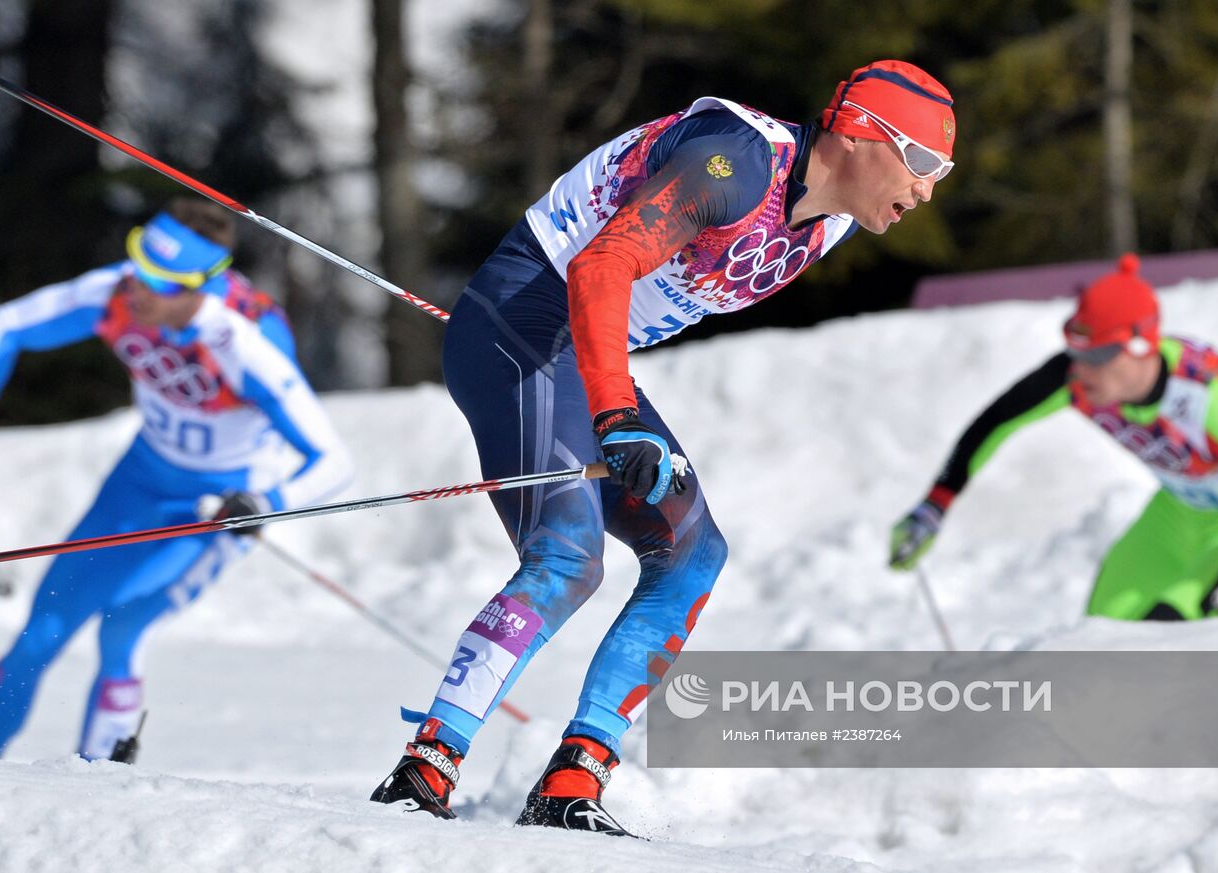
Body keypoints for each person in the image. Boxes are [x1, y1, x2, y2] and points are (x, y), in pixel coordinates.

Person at [368, 60, 958, 835]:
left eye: (941, 172)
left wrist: (609, 402)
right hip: (523, 323)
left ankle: (575, 777)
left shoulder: (833, 221)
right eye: (920, 161)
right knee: (568, 557)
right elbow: (604, 263)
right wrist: (616, 415)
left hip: (578, 355)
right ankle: (427, 764)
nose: (926, 189)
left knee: (694, 553)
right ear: (858, 133)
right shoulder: (736, 160)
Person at [0, 197, 352, 762]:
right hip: (138, 482)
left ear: (197, 287)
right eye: (138, 267)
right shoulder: (119, 293)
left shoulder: (243, 343)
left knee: (123, 629)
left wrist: (264, 501)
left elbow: (335, 460)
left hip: (212, 507)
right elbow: (6, 325)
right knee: (42, 629)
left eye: (159, 283)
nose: (137, 289)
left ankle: (99, 788)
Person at [889, 254, 1218, 622]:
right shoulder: (1078, 378)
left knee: (1178, 624)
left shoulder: (1212, 404)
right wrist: (934, 506)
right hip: (1179, 510)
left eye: (1100, 355)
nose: (1082, 370)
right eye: (1076, 353)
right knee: (1105, 630)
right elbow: (995, 421)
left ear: (1142, 346)